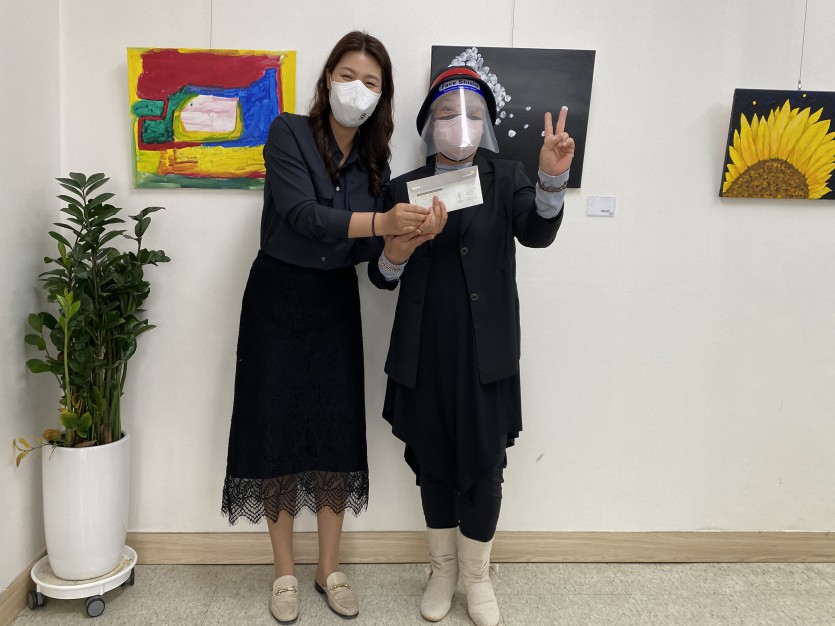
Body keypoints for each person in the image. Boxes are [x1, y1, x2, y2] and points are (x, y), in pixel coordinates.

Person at [221, 31, 432, 624]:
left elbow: (373, 265)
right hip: (276, 299)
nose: (357, 89)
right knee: (276, 427)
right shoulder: (287, 132)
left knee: (335, 432)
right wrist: (381, 223)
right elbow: (302, 215)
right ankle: (284, 571)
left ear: (382, 96)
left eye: (371, 82)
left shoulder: (376, 165)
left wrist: (400, 245)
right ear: (327, 79)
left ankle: (329, 568)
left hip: (334, 304)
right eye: (348, 75)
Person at [368, 67, 574, 626]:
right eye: (447, 113)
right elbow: (381, 277)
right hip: (425, 350)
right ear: (427, 123)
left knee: (484, 468)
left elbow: (536, 233)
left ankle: (478, 577)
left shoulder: (506, 177)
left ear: (487, 125)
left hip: (486, 351)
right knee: (433, 464)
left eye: (474, 114)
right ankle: (442, 571)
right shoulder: (404, 187)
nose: (461, 124)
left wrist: (551, 181)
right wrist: (398, 252)